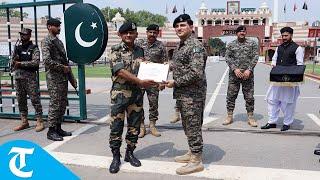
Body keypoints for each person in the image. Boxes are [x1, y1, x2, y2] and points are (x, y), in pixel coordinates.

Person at [108, 22, 157, 174]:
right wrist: (140, 81)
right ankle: (116, 156)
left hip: (136, 95)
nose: (128, 35)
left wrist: (152, 71)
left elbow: (143, 67)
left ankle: (130, 152)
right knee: (116, 126)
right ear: (120, 35)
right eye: (125, 33)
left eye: (131, 32)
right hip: (120, 95)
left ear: (136, 34)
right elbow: (120, 71)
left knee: (134, 126)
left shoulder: (139, 50)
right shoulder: (115, 50)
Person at [164, 14, 207, 175]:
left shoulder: (194, 46)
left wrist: (175, 82)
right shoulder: (181, 46)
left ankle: (196, 160)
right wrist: (158, 70)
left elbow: (196, 73)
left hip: (193, 95)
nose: (179, 28)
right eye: (177, 26)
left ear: (191, 27)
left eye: (182, 25)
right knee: (187, 126)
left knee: (193, 126)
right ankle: (191, 152)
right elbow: (175, 65)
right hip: (183, 94)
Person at [261, 27, 304, 131]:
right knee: (272, 100)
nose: (284, 37)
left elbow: (300, 64)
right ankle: (272, 122)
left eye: (286, 35)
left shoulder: (297, 48)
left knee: (288, 102)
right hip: (277, 78)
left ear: (291, 35)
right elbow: (274, 60)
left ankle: (287, 123)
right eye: (283, 36)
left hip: (290, 80)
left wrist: (293, 75)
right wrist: (274, 65)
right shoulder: (279, 48)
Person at [41, 18, 77, 141]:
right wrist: (62, 68)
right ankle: (51, 131)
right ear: (49, 27)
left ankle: (58, 128)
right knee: (55, 104)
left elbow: (65, 62)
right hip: (54, 78)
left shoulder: (59, 42)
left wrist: (71, 78)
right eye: (56, 26)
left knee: (62, 104)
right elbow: (47, 61)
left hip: (62, 78)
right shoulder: (46, 41)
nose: (59, 28)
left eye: (59, 26)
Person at [223, 25, 259, 127]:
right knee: (231, 96)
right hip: (234, 76)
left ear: (245, 33)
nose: (242, 33)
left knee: (249, 97)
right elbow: (227, 57)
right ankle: (229, 116)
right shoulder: (231, 44)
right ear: (236, 33)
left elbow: (255, 56)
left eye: (243, 31)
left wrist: (249, 69)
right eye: (240, 31)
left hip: (248, 76)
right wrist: (234, 68)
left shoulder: (252, 43)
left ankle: (251, 118)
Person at [136, 24, 167, 138]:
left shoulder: (161, 46)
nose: (152, 34)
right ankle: (142, 126)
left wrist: (163, 82)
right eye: (150, 32)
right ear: (146, 32)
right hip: (140, 79)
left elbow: (165, 63)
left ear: (157, 33)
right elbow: (134, 57)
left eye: (155, 33)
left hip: (154, 81)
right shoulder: (139, 44)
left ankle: (152, 125)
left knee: (153, 104)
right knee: (138, 103)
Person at [12, 28, 44, 132]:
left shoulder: (33, 48)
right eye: (21, 34)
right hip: (18, 78)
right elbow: (13, 63)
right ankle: (24, 121)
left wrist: (21, 63)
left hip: (30, 79)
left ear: (29, 36)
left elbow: (35, 63)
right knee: (21, 100)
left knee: (35, 100)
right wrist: (14, 60)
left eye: (24, 34)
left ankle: (39, 121)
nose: (22, 36)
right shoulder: (17, 48)